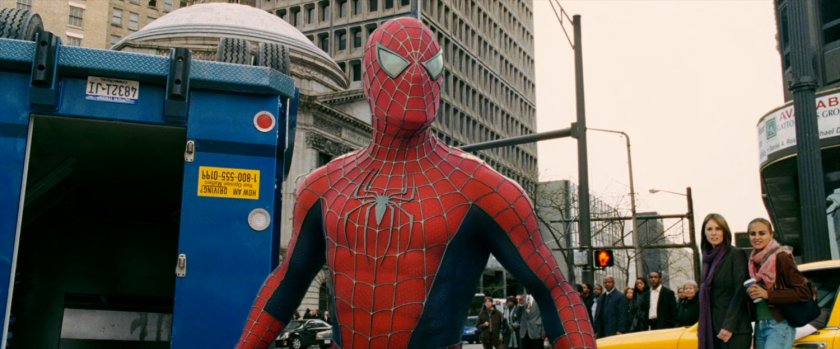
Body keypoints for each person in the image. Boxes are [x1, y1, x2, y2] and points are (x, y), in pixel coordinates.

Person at [235, 17, 596, 349]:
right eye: (397, 65)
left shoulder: (483, 189)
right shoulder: (322, 186)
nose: (417, 77)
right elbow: (286, 284)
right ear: (371, 77)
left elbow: (555, 291)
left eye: (432, 66)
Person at [745, 218, 811, 349]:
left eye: (762, 233)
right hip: (760, 325)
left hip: (780, 324)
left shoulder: (782, 256)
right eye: (753, 234)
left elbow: (803, 293)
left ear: (771, 234)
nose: (757, 237)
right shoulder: (753, 262)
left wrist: (768, 294)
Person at [697, 213, 751, 349]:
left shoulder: (735, 254)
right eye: (709, 229)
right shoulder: (707, 260)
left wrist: (728, 326)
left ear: (725, 231)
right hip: (712, 329)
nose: (713, 233)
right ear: (704, 233)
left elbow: (740, 292)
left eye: (718, 229)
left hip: (734, 330)